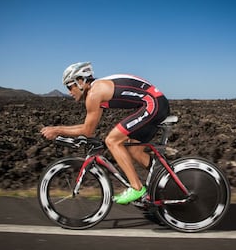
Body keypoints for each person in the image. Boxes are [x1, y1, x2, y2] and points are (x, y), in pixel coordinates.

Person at [40, 62, 170, 204]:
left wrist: (57, 130)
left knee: (112, 141)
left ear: (80, 81)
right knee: (134, 151)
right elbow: (87, 128)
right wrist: (59, 131)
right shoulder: (97, 90)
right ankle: (163, 181)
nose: (69, 92)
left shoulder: (94, 93)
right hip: (155, 103)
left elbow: (87, 131)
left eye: (69, 86)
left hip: (153, 104)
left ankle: (137, 188)